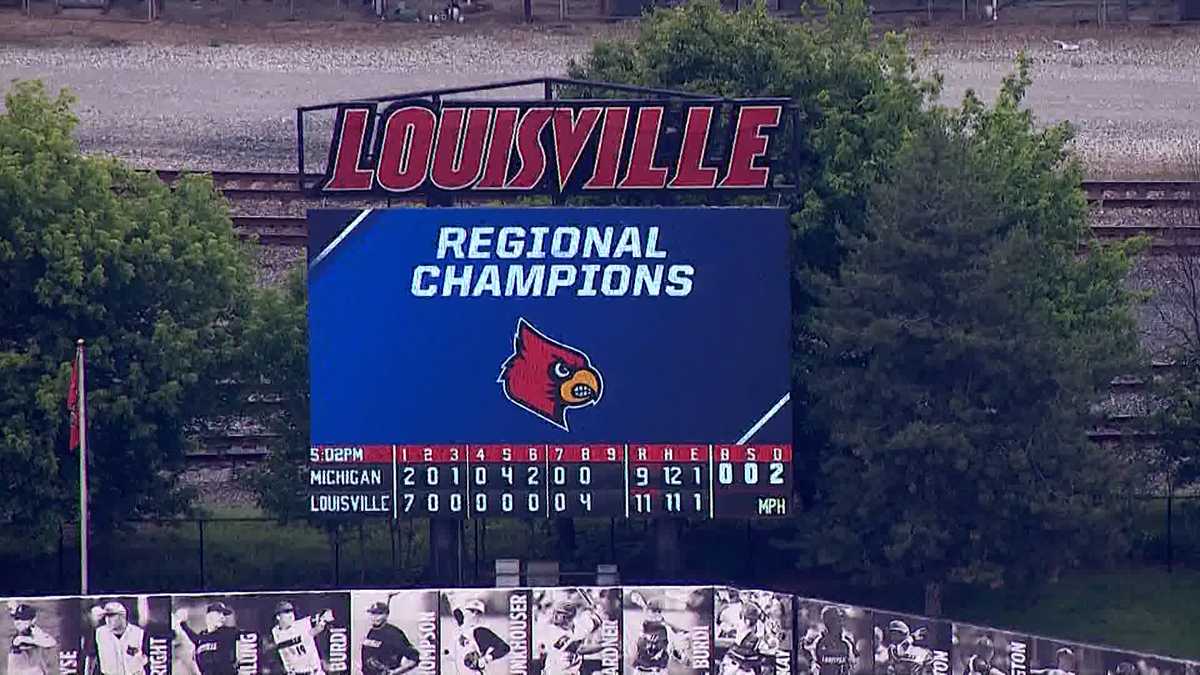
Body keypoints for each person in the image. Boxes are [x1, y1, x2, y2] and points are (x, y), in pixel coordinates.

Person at [534, 595, 602, 675]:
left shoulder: (579, 627)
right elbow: (580, 649)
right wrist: (605, 646)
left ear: (569, 616)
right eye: (555, 612)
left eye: (559, 613)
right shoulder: (552, 631)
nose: (555, 615)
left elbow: (596, 621)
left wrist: (597, 609)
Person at [446, 597, 509, 675]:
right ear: (465, 611)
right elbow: (457, 612)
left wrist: (486, 659)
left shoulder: (481, 632)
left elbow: (504, 647)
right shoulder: (462, 627)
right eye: (472, 611)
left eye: (479, 612)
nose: (475, 614)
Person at [175, 603, 240, 675]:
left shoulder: (227, 633)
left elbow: (246, 635)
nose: (222, 617)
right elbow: (194, 637)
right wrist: (182, 623)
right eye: (219, 613)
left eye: (224, 615)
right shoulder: (202, 637)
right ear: (209, 616)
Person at [270, 601, 332, 675]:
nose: (291, 615)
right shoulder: (276, 632)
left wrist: (324, 618)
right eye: (286, 612)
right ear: (278, 617)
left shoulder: (303, 624)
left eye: (291, 611)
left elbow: (323, 617)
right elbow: (291, 639)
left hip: (314, 672)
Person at [360, 602, 420, 675]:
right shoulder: (372, 631)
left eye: (379, 614)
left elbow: (414, 658)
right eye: (373, 613)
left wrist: (395, 672)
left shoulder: (394, 634)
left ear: (386, 615)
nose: (375, 617)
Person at [92, 601, 148, 675]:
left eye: (111, 616)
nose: (107, 620)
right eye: (106, 616)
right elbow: (91, 659)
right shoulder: (99, 634)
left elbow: (149, 661)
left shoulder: (139, 633)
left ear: (122, 616)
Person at [801, 606, 856, 675]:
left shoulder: (846, 643)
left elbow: (852, 666)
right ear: (827, 622)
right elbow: (813, 665)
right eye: (836, 620)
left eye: (840, 619)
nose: (840, 623)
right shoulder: (818, 643)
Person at [8, 603, 58, 675]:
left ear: (33, 620)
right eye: (16, 618)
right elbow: (20, 640)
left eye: (23, 619)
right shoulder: (18, 638)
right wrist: (36, 638)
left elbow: (52, 642)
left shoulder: (33, 631)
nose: (18, 622)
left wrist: (37, 634)